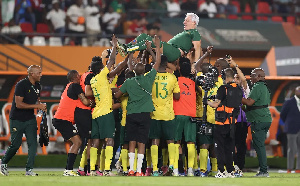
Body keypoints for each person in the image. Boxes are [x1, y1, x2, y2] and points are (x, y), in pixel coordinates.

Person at [114, 35, 162, 176]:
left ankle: (131, 169)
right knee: (142, 142)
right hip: (145, 114)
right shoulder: (149, 78)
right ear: (145, 71)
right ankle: (140, 170)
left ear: (134, 71)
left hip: (131, 114)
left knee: (131, 142)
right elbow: (157, 62)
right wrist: (156, 47)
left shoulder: (128, 82)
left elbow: (117, 96)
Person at [89, 35, 128, 176]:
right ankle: (106, 170)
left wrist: (125, 61)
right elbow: (111, 61)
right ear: (101, 68)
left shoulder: (94, 80)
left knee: (95, 142)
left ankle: (93, 170)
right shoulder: (101, 76)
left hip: (96, 113)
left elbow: (115, 70)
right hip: (105, 113)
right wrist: (114, 45)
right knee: (109, 140)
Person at [0, 65, 46, 176]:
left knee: (33, 144)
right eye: (39, 72)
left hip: (30, 119)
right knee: (15, 144)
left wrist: (40, 106)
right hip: (17, 119)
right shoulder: (21, 85)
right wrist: (36, 107)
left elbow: (37, 99)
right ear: (32, 74)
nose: (41, 74)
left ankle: (29, 170)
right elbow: (19, 104)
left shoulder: (38, 85)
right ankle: (3, 162)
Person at [116, 13, 201, 63]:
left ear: (194, 23)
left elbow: (197, 49)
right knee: (143, 36)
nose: (184, 22)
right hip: (168, 48)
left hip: (174, 52)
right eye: (185, 20)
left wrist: (195, 63)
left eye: (187, 20)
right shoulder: (186, 32)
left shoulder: (195, 33)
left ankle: (128, 50)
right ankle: (126, 47)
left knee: (148, 41)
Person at [52, 70, 92, 176]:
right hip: (62, 120)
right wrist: (94, 102)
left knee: (77, 142)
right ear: (76, 77)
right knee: (77, 142)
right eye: (79, 76)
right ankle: (68, 170)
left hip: (61, 119)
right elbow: (86, 102)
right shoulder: (75, 86)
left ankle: (69, 169)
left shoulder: (69, 86)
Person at [206, 68, 242, 178]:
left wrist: (206, 101)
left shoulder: (223, 88)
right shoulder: (238, 89)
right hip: (232, 123)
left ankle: (221, 171)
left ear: (225, 77)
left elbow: (216, 105)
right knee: (229, 148)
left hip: (221, 123)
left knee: (219, 148)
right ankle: (230, 171)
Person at [148, 54, 180, 176]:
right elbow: (177, 96)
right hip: (168, 114)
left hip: (154, 113)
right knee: (170, 140)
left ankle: (155, 169)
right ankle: (172, 166)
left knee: (155, 140)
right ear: (167, 64)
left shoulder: (151, 76)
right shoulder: (172, 78)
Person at [242, 68, 272, 177]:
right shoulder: (265, 87)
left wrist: (237, 96)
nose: (251, 77)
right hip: (265, 118)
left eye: (253, 75)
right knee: (259, 145)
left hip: (258, 119)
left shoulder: (258, 86)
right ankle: (263, 170)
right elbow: (255, 104)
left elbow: (250, 102)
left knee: (259, 145)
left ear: (259, 76)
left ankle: (264, 171)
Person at [173, 57, 198, 176]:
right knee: (190, 143)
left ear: (179, 70)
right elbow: (201, 93)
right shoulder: (194, 84)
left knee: (176, 142)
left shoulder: (175, 81)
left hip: (177, 113)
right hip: (191, 115)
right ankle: (190, 170)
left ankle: (176, 170)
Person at [228, 57, 250, 177]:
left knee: (241, 145)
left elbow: (244, 79)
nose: (236, 79)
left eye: (238, 78)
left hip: (241, 121)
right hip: (231, 120)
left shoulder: (244, 89)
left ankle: (240, 167)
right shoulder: (228, 88)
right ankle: (233, 166)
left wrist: (235, 65)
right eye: (234, 78)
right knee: (231, 144)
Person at [280, 86, 300, 173]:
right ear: (295, 92)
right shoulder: (289, 102)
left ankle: (298, 169)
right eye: (299, 90)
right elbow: (282, 115)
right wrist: (289, 123)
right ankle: (289, 168)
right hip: (292, 128)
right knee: (292, 149)